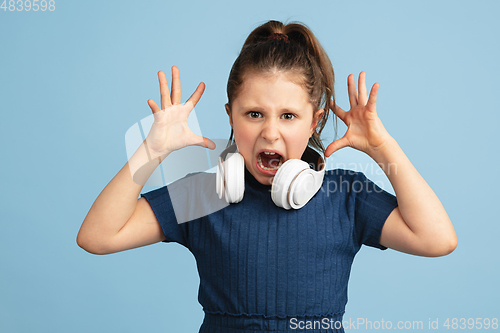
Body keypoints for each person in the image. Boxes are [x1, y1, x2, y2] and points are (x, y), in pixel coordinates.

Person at [77, 20, 457, 333]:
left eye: (288, 116)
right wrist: (152, 150)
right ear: (231, 115)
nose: (270, 133)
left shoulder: (347, 196)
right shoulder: (204, 193)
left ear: (315, 121)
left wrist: (383, 147)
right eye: (254, 114)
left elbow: (437, 239)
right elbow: (97, 236)